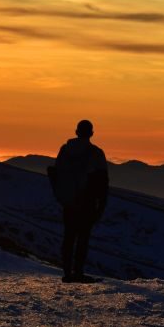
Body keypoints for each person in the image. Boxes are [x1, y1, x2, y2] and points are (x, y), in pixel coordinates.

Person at [48, 119, 109, 283]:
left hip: (68, 202)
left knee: (68, 237)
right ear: (91, 133)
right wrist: (101, 205)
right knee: (83, 238)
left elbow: (57, 173)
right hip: (86, 201)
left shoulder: (65, 150)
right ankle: (78, 272)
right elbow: (103, 181)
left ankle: (67, 273)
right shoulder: (96, 153)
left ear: (76, 132)